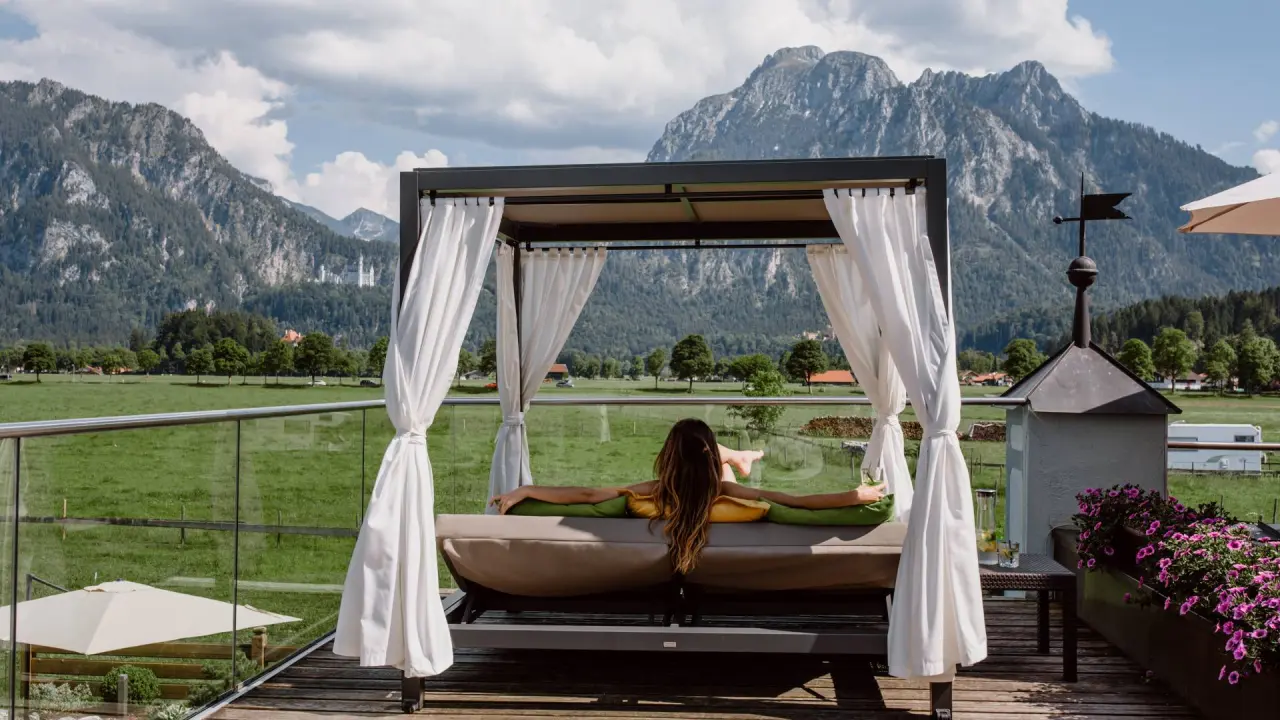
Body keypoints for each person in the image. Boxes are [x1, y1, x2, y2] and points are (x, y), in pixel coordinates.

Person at [489, 418, 885, 574]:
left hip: (691, 480)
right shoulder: (726, 493)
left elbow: (588, 494)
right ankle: (733, 455)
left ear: (667, 458)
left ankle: (734, 454)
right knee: (723, 464)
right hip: (720, 478)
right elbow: (794, 502)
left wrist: (527, 489)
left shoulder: (654, 494)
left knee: (709, 458)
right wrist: (854, 495)